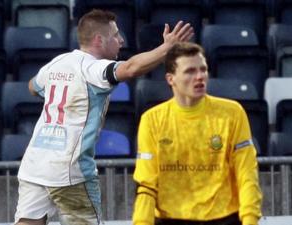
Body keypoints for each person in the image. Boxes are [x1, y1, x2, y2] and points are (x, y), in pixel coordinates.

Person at [14, 9, 194, 225]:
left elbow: (33, 86)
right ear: (99, 40)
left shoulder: (58, 62)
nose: (121, 40)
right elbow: (131, 68)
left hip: (34, 164)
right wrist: (166, 49)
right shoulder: (93, 69)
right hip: (69, 170)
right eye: (116, 35)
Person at [132, 42, 263, 225]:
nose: (200, 77)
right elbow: (146, 183)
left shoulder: (232, 113)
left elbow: (246, 173)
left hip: (223, 218)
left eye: (203, 69)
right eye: (190, 71)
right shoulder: (152, 120)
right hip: (171, 219)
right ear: (171, 79)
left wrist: (250, 220)